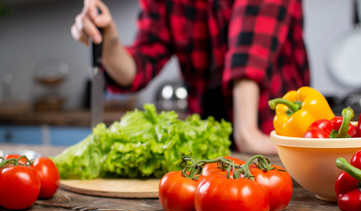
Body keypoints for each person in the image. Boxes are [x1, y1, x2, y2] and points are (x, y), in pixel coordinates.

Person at [71, 0, 310, 154]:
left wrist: (247, 134)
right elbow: (136, 69)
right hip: (210, 143)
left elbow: (248, 53)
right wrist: (109, 42)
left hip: (274, 138)